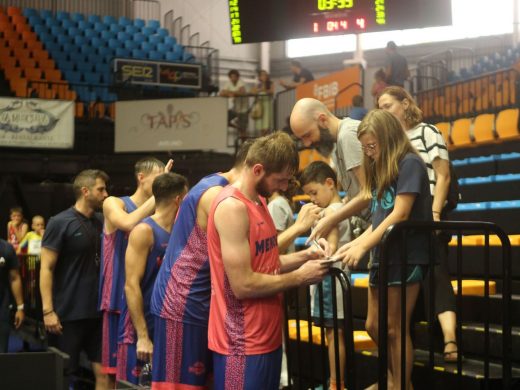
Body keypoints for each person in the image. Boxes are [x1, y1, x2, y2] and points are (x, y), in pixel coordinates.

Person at [207, 131, 330, 389]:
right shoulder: (232, 207)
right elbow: (243, 284)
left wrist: (306, 256)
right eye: (280, 180)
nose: (285, 187)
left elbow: (267, 264)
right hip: (240, 344)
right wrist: (300, 276)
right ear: (258, 170)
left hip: (268, 338)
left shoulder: (259, 200)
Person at [336, 110, 432, 390]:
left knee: (394, 328)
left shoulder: (410, 163)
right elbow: (379, 219)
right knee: (373, 326)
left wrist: (365, 244)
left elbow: (400, 214)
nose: (368, 152)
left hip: (406, 256)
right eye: (365, 148)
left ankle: (398, 384)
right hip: (384, 256)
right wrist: (354, 244)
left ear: (388, 138)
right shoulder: (380, 168)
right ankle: (394, 379)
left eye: (372, 146)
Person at [378, 86, 458, 363]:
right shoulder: (391, 143)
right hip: (404, 224)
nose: (383, 110)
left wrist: (434, 213)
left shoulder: (426, 131)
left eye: (387, 105)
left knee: (437, 274)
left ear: (405, 104)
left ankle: (450, 339)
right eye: (380, 107)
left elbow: (443, 175)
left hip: (427, 216)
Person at [99, 157, 172, 378]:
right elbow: (128, 223)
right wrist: (163, 191)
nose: (163, 183)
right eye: (159, 179)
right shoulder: (114, 202)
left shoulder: (160, 214)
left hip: (148, 301)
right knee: (114, 376)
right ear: (141, 178)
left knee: (149, 374)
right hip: (117, 298)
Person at [40, 169, 110, 389]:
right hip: (67, 315)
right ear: (85, 191)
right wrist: (48, 311)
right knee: (60, 375)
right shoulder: (59, 222)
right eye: (101, 189)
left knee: (105, 374)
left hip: (98, 314)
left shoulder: (103, 221)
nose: (106, 194)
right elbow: (46, 268)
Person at [116, 173, 188, 384]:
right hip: (140, 331)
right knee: (135, 386)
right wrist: (143, 337)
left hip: (165, 327)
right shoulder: (144, 231)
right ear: (179, 200)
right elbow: (131, 286)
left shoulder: (179, 231)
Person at [290, 97, 371, 245]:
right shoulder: (337, 146)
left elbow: (368, 194)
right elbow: (358, 193)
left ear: (322, 120)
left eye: (307, 135)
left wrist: (332, 217)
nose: (307, 143)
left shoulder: (347, 135)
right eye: (302, 139)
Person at [300, 161, 352, 390]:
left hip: (331, 279)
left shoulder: (331, 212)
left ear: (330, 184)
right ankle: (336, 382)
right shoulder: (337, 209)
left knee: (334, 335)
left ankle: (336, 384)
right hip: (331, 279)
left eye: (314, 192)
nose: (312, 198)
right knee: (333, 334)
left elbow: (329, 245)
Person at [0, 239, 24, 353]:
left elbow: (14, 278)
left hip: (2, 307)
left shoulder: (6, 248)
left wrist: (20, 307)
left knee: (2, 352)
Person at [220, 69, 249, 139]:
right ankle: (238, 127)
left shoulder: (241, 82)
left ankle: (244, 146)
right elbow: (222, 93)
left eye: (234, 76)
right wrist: (235, 92)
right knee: (224, 119)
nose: (233, 78)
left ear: (238, 77)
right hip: (235, 108)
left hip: (243, 109)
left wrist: (230, 92)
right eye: (231, 77)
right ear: (230, 77)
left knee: (243, 130)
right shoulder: (228, 83)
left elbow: (242, 92)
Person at [251, 69, 275, 135]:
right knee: (261, 124)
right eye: (261, 75)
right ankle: (262, 138)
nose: (263, 76)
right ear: (259, 77)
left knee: (267, 124)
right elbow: (253, 91)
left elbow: (271, 91)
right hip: (260, 105)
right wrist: (261, 89)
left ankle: (267, 138)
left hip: (267, 104)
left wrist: (262, 88)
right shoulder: (258, 85)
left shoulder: (270, 83)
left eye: (265, 75)